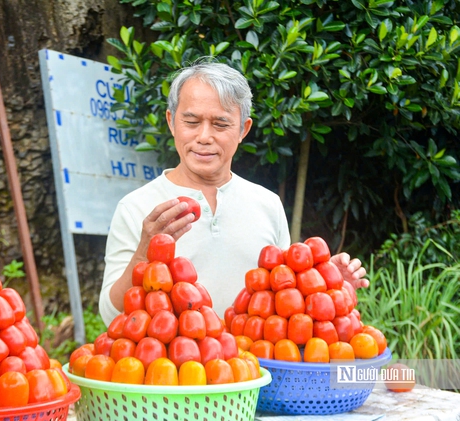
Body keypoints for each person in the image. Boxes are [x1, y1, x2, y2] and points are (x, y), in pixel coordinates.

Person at [99, 61, 368, 326]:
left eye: (221, 124)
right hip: (176, 367)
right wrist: (144, 254)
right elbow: (111, 314)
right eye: (191, 121)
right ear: (171, 122)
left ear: (243, 130)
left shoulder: (267, 204)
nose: (204, 136)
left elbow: (287, 302)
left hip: (255, 368)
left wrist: (325, 282)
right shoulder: (136, 207)